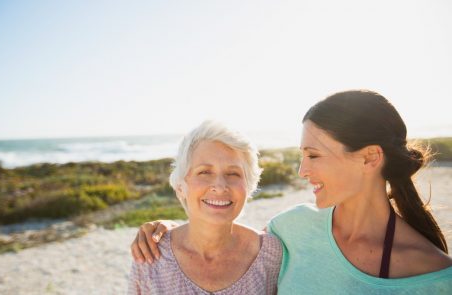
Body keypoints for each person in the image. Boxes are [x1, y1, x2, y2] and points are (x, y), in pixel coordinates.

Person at [130, 90, 452, 294]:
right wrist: (165, 230)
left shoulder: (436, 277)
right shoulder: (291, 230)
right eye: (301, 155)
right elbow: (219, 233)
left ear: (369, 157)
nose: (302, 171)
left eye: (313, 155)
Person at [127, 120, 282, 294]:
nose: (220, 186)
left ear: (249, 186)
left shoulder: (271, 255)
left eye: (233, 173)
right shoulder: (151, 256)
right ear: (180, 186)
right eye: (205, 172)